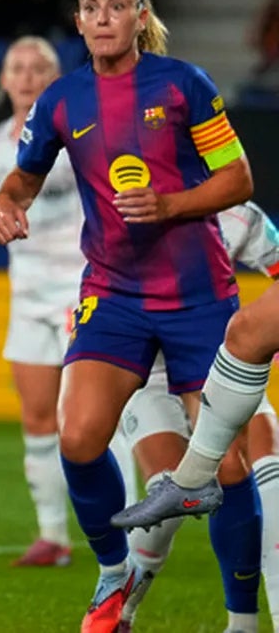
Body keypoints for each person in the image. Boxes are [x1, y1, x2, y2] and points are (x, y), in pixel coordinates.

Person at [0, 0, 255, 631]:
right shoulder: (60, 100)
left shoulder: (184, 84)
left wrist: (167, 205)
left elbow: (239, 180)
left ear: (141, 17)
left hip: (199, 296)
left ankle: (242, 619)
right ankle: (114, 568)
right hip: (113, 293)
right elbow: (22, 180)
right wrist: (4, 202)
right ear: (78, 22)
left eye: (117, 6)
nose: (104, 17)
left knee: (227, 464)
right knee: (76, 435)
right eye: (91, 7)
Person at [0, 35, 138, 569]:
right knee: (36, 416)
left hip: (87, 288)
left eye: (39, 68)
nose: (27, 77)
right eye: (18, 68)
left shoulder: (82, 132)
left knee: (96, 416)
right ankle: (52, 537)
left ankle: (128, 526)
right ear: (3, 81)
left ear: (56, 79)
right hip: (27, 294)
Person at [117, 201, 278, 631]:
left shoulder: (237, 215)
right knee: (168, 499)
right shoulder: (118, 206)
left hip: (220, 368)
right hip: (147, 372)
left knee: (268, 473)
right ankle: (118, 610)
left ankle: (244, 624)